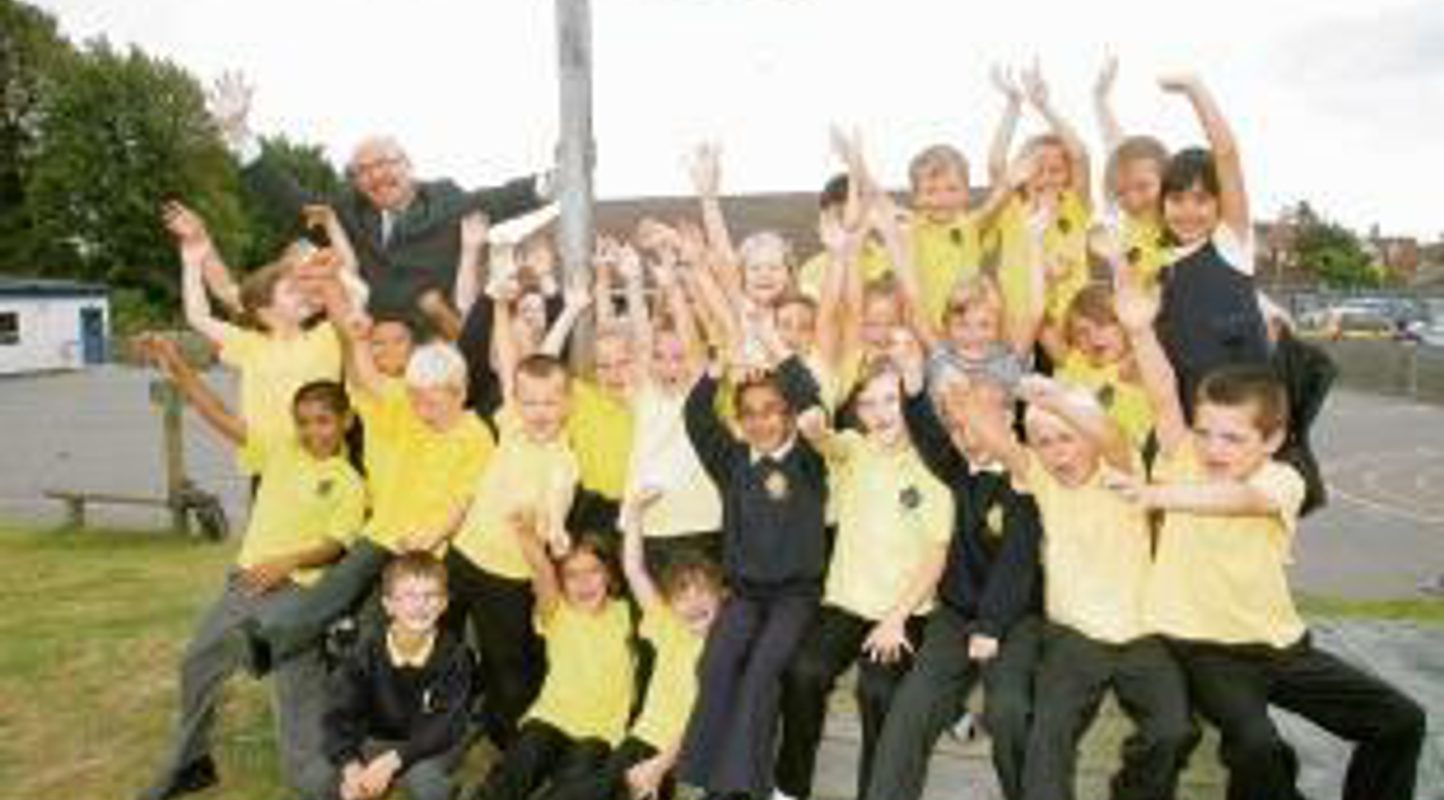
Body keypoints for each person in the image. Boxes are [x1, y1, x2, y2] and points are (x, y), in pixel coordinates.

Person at [1116, 285, 1425, 800]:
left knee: (1401, 721)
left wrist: (1156, 494)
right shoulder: (1184, 457)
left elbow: (1240, 500)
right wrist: (1140, 331)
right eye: (1205, 432)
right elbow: (1164, 394)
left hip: (1280, 646)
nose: (1213, 449)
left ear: (1273, 440)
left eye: (1233, 438)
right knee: (1257, 748)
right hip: (1205, 649)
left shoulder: (1283, 480)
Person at [135, 337, 364, 800]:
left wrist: (289, 560)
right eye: (303, 422)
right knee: (197, 661)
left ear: (345, 421)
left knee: (297, 700)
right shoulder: (280, 450)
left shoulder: (348, 481)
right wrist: (177, 364)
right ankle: (192, 763)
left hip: (297, 597)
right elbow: (216, 412)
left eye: (323, 421)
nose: (312, 431)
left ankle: (326, 780)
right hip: (245, 584)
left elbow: (336, 544)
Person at [967, 375, 1195, 800]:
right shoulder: (1040, 477)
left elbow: (1110, 435)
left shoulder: (1121, 471)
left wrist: (1059, 402)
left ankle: (1130, 790)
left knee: (1173, 730)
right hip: (1074, 637)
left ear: (1089, 438)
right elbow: (988, 432)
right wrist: (977, 378)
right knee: (1048, 736)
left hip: (1142, 635)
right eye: (1045, 442)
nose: (1058, 453)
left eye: (1068, 438)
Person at [207, 73, 554, 316]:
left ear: (408, 165)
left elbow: (502, 198)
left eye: (385, 163)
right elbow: (287, 197)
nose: (376, 175)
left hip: (434, 353)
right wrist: (239, 134)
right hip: (369, 354)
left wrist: (554, 181)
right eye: (363, 170)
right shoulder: (345, 212)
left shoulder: (447, 201)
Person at [862, 345, 1043, 800]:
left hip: (1016, 618)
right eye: (958, 426)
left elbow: (1018, 561)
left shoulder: (1027, 474)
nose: (967, 435)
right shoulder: (956, 470)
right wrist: (913, 381)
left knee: (1008, 708)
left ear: (1009, 418)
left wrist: (991, 626)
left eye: (978, 422)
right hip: (956, 615)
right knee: (912, 707)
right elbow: (926, 431)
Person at [250, 340, 495, 668]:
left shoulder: (477, 436)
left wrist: (433, 536)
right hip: (384, 531)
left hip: (425, 548)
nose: (423, 412)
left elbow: (465, 499)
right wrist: (356, 338)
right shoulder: (407, 409)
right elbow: (368, 378)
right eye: (416, 401)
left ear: (460, 393)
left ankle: (374, 678)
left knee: (376, 621)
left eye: (432, 404)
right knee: (339, 586)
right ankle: (270, 644)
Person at [773, 361, 953, 800]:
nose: (879, 412)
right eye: (868, 403)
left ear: (912, 403)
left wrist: (895, 619)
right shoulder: (856, 447)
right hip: (847, 602)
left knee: (879, 690)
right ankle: (790, 787)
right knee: (803, 672)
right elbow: (827, 442)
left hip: (904, 609)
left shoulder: (934, 463)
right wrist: (815, 428)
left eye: (890, 400)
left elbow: (936, 555)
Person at [676, 332, 829, 800]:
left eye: (772, 411)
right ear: (739, 422)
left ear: (788, 415)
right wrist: (716, 369)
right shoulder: (732, 461)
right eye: (750, 414)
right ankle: (706, 774)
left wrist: (778, 355)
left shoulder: (809, 461)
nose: (762, 421)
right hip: (744, 593)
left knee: (763, 671)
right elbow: (696, 417)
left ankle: (741, 788)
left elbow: (814, 405)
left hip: (794, 596)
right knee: (717, 660)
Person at [537, 490, 726, 800]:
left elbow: (703, 722)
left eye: (703, 592)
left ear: (721, 597)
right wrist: (635, 513)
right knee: (587, 790)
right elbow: (634, 569)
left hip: (681, 753)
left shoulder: (726, 651)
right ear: (670, 604)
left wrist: (658, 766)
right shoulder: (669, 628)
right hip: (643, 740)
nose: (693, 603)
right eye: (682, 595)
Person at [447, 354, 581, 746]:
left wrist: (553, 532)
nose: (539, 412)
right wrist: (501, 315)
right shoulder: (511, 428)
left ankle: (509, 739)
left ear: (567, 404)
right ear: (516, 403)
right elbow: (507, 362)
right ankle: (446, 710)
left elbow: (556, 512)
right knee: (441, 632)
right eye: (530, 402)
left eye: (550, 402)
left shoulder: (562, 463)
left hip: (508, 575)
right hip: (465, 553)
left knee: (507, 661)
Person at [164, 201, 343, 477]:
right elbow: (204, 310)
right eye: (294, 283)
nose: (304, 284)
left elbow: (355, 291)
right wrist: (194, 254)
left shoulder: (328, 334)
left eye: (311, 270)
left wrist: (330, 255)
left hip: (322, 463)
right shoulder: (251, 343)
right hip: (267, 465)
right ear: (264, 310)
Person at [468, 526, 636, 800]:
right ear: (560, 581)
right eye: (572, 575)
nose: (584, 582)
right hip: (551, 718)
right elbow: (542, 569)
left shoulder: (627, 614)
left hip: (601, 733)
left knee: (580, 774)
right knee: (526, 753)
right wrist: (526, 531)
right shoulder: (557, 612)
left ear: (609, 573)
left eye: (593, 571)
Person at [320, 553, 476, 800]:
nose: (420, 606)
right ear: (388, 605)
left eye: (430, 596)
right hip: (379, 737)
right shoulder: (364, 651)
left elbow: (445, 725)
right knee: (337, 784)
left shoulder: (455, 656)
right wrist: (350, 765)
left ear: (444, 603)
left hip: (434, 742)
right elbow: (339, 713)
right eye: (409, 596)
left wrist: (394, 760)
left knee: (426, 782)